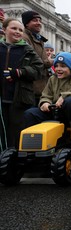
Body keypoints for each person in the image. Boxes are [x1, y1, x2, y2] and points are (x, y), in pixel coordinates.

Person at [23, 52, 71, 149]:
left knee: (70, 101)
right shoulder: (53, 79)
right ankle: (31, 143)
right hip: (55, 112)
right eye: (56, 66)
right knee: (30, 113)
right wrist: (45, 103)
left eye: (63, 66)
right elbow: (46, 95)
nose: (58, 69)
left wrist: (65, 96)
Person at [0, 18, 43, 151]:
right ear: (4, 29)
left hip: (19, 98)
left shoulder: (27, 50)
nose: (17, 32)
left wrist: (20, 72)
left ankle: (15, 161)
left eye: (20, 30)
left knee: (17, 131)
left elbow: (38, 69)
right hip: (1, 98)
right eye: (14, 28)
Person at [21, 10, 53, 105]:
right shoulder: (24, 38)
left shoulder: (39, 39)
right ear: (26, 23)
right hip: (31, 88)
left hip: (41, 87)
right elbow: (31, 62)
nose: (39, 23)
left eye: (40, 20)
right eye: (35, 20)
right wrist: (50, 62)